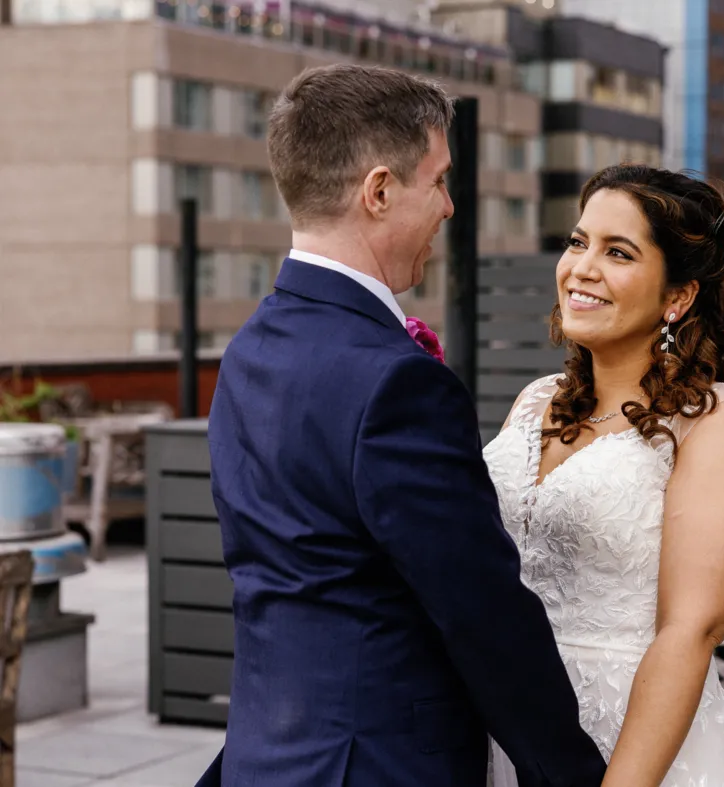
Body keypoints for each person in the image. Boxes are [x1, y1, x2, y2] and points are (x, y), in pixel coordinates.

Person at [195, 63, 607, 787]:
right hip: (377, 764)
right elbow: (479, 609)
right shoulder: (397, 381)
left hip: (267, 753)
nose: (449, 206)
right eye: (440, 180)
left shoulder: (248, 351)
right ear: (379, 191)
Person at [483, 164, 724, 787]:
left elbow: (690, 633)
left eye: (618, 252)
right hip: (505, 732)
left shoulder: (712, 424)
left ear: (677, 297)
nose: (582, 268)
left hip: (637, 746)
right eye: (578, 242)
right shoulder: (533, 400)